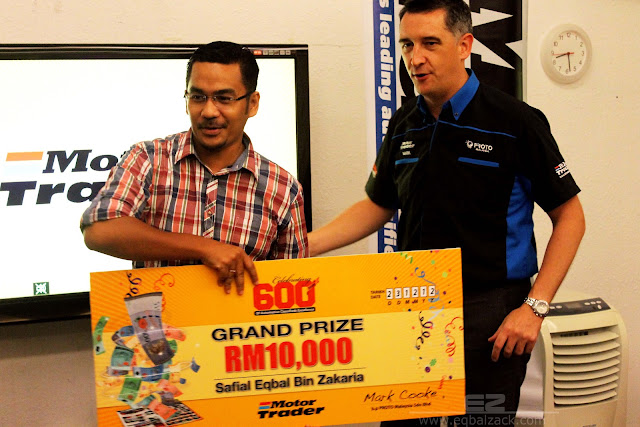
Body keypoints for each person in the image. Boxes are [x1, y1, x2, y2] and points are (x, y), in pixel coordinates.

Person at [309, 1, 585, 426]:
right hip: (414, 307)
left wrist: (535, 308)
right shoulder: (404, 122)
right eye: (407, 45)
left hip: (490, 314)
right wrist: (303, 246)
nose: (415, 58)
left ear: (464, 45)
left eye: (430, 43)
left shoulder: (516, 121)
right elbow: (378, 204)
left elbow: (571, 217)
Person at [81, 41, 309, 296]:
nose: (209, 111)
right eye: (198, 97)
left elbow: (292, 291)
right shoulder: (148, 159)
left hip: (240, 322)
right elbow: (98, 230)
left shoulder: (283, 189)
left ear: (252, 104)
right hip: (159, 320)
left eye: (224, 98)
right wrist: (204, 247)